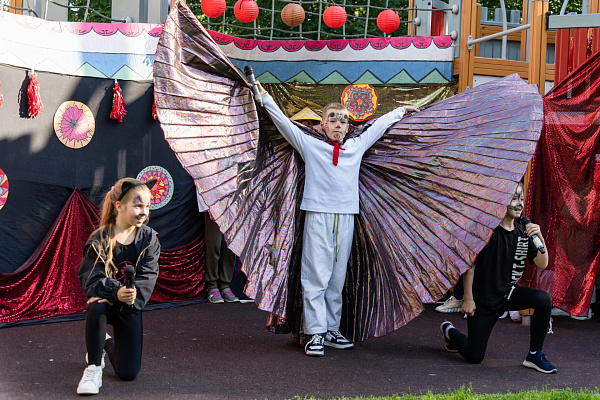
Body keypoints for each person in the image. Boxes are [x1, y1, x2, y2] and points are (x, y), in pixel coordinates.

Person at [256, 81, 419, 357]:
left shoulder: (356, 146)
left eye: (343, 121)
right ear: (323, 124)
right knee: (315, 276)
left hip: (346, 218)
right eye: (333, 120)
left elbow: (378, 128)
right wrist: (265, 97)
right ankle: (315, 332)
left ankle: (331, 329)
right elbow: (284, 124)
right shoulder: (311, 146)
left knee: (337, 277)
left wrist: (399, 112)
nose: (338, 125)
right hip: (318, 216)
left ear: (348, 126)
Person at [440, 181, 557, 373]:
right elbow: (470, 265)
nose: (519, 204)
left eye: (521, 198)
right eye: (514, 198)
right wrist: (468, 299)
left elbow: (542, 263)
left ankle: (535, 354)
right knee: (475, 356)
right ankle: (449, 331)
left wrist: (540, 237)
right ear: (501, 200)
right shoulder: (486, 232)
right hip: (484, 301)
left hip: (508, 294)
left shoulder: (522, 233)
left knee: (543, 299)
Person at [77, 178, 161, 395]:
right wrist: (115, 291)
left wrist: (130, 296)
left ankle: (104, 341)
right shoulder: (100, 238)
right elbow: (90, 278)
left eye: (147, 206)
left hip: (129, 306)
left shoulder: (149, 239)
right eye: (138, 205)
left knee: (128, 373)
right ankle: (93, 368)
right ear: (119, 206)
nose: (144, 212)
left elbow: (148, 276)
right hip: (106, 302)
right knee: (96, 304)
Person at [196, 191, 239, 303]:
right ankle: (212, 286)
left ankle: (225, 285)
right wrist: (208, 206)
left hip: (234, 204)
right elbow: (202, 182)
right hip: (214, 202)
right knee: (214, 245)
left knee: (230, 248)